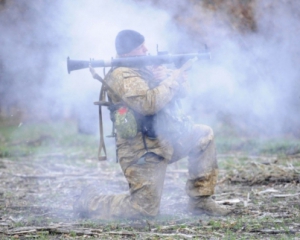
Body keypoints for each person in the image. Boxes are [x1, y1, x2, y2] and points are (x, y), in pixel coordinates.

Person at [73, 29, 230, 219]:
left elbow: (183, 93)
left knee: (203, 135)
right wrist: (171, 80)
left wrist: (166, 78)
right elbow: (148, 104)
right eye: (141, 47)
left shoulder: (145, 68)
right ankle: (90, 200)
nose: (146, 49)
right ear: (127, 52)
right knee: (143, 210)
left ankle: (201, 201)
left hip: (166, 139)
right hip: (141, 150)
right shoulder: (121, 75)